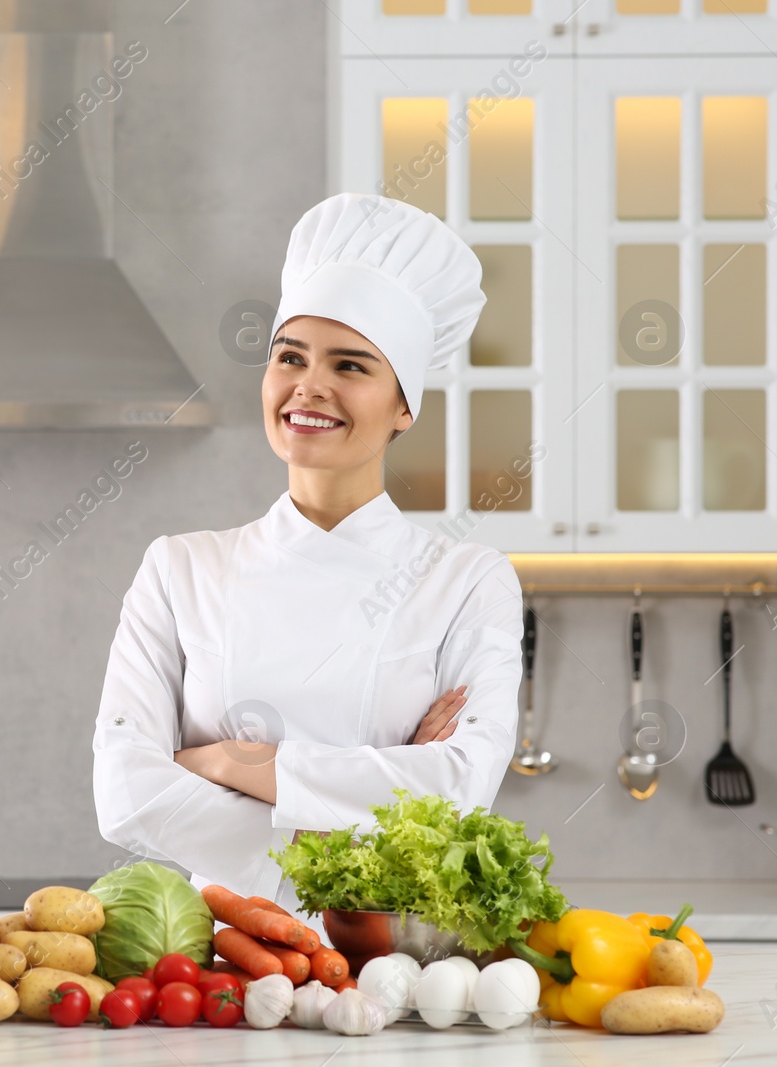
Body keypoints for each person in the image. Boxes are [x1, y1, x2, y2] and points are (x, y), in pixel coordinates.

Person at [91, 192, 525, 907]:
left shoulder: (468, 580)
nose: (309, 385)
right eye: (289, 356)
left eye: (351, 366)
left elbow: (460, 785)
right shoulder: (180, 568)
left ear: (404, 406)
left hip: (395, 961)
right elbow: (125, 788)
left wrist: (228, 759)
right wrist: (369, 806)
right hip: (228, 960)